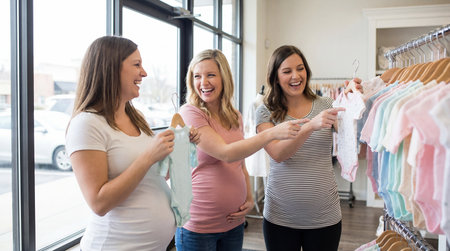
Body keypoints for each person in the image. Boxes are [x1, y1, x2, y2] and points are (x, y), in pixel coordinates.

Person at [65, 36, 199, 250]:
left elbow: (154, 177)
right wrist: (148, 157)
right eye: (136, 65)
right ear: (110, 69)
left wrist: (175, 150)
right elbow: (99, 203)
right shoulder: (86, 124)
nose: (144, 73)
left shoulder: (136, 118)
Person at [175, 49, 308, 251]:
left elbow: (239, 162)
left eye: (210, 75)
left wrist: (248, 197)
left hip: (234, 224)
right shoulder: (190, 113)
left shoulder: (234, 115)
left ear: (224, 77)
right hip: (198, 226)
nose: (203, 83)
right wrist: (271, 134)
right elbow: (226, 152)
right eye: (197, 76)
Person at [255, 45, 361, 251]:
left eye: (300, 68)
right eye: (287, 71)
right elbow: (278, 154)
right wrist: (310, 126)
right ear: (275, 77)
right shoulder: (265, 112)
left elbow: (352, 136)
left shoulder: (327, 103)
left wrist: (355, 100)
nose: (296, 76)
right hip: (280, 218)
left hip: (325, 217)